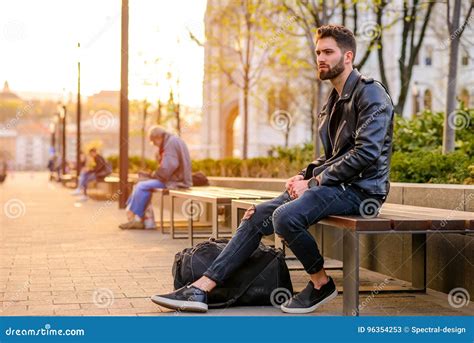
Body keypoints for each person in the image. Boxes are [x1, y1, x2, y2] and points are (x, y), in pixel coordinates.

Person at [151, 24, 395, 314]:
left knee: (284, 217)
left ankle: (320, 283)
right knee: (258, 214)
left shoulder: (371, 94)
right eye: (318, 52)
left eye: (328, 52)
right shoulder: (331, 100)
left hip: (362, 191)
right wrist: (305, 175)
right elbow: (334, 155)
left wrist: (314, 183)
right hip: (334, 185)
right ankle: (201, 288)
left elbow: (365, 153)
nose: (321, 58)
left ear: (348, 56)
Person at [119, 126, 193, 230]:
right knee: (141, 184)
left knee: (141, 186)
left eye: (153, 142)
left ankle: (136, 217)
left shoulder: (170, 143)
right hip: (174, 179)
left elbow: (168, 168)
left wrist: (154, 175)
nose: (154, 145)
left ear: (158, 137)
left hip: (176, 181)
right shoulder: (171, 141)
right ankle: (138, 218)